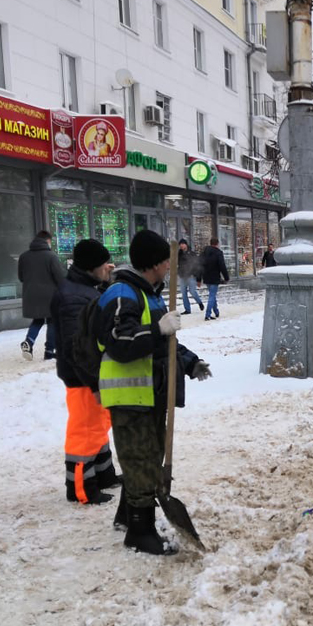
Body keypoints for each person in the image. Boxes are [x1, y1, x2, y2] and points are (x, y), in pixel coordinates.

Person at [95, 230, 212, 555]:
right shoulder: (122, 294)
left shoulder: (150, 294)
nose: (170, 268)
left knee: (145, 457)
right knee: (142, 459)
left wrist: (189, 363)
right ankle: (140, 531)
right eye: (167, 262)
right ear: (157, 263)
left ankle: (125, 516)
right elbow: (120, 341)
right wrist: (157, 328)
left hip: (149, 392)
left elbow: (165, 343)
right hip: (130, 395)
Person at [51, 239, 119, 505]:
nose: (109, 267)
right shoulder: (72, 297)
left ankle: (104, 476)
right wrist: (94, 383)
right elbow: (74, 346)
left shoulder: (84, 289)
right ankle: (81, 488)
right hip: (82, 377)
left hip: (91, 374)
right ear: (93, 266)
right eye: (105, 263)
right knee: (85, 430)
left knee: (99, 426)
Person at [18, 230, 65, 360]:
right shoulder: (51, 256)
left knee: (37, 320)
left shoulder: (24, 256)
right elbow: (59, 277)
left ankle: (29, 341)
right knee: (52, 321)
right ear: (48, 241)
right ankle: (49, 351)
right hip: (50, 295)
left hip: (30, 295)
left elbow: (21, 277)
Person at [199, 237, 230, 321]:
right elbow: (222, 266)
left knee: (212, 295)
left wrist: (199, 278)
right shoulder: (218, 253)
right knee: (212, 296)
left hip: (206, 277)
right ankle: (207, 314)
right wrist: (226, 277)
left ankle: (216, 311)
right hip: (214, 277)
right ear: (217, 244)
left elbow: (200, 266)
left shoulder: (204, 253)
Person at [177, 239, 204, 315]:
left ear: (186, 244)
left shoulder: (192, 254)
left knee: (192, 291)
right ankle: (187, 309)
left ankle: (199, 302)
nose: (181, 246)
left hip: (191, 276)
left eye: (182, 244)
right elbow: (177, 263)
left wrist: (198, 279)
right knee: (183, 293)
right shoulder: (179, 254)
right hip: (182, 276)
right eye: (180, 244)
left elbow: (197, 265)